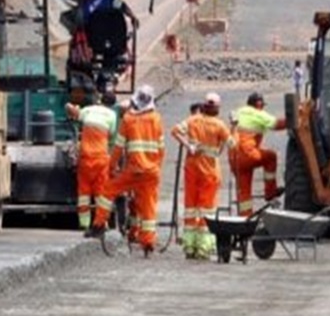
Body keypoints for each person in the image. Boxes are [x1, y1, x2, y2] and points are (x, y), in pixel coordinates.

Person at [90, 84, 165, 255]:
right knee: (148, 207)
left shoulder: (128, 119)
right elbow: (161, 149)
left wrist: (111, 167)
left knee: (108, 190)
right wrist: (156, 167)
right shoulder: (156, 119)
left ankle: (98, 225)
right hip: (151, 171)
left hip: (133, 170)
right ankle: (148, 242)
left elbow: (118, 147)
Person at [172, 92, 233, 259]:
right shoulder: (219, 125)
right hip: (209, 173)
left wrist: (187, 146)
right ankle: (203, 248)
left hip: (192, 170)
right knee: (207, 210)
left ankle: (189, 246)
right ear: (217, 108)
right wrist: (233, 127)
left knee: (191, 209)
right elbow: (232, 144)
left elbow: (175, 131)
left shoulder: (193, 120)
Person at [65, 90, 119, 235]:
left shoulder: (89, 109)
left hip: (85, 157)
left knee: (83, 192)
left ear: (100, 100)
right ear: (112, 105)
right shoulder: (112, 115)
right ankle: (101, 223)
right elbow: (113, 137)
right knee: (101, 192)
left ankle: (83, 224)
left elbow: (73, 111)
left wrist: (69, 106)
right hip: (101, 158)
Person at [230, 92, 287, 216]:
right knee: (271, 157)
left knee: (244, 191)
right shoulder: (257, 113)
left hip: (234, 158)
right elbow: (277, 124)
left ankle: (245, 218)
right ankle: (270, 192)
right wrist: (293, 120)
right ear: (259, 104)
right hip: (247, 154)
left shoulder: (239, 112)